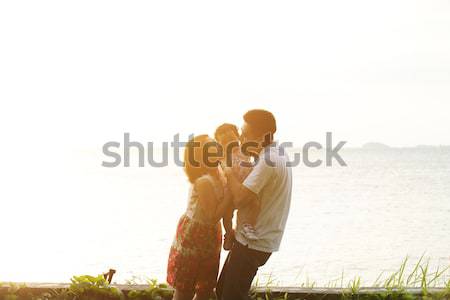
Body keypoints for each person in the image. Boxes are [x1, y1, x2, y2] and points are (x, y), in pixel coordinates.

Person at [216, 109, 293, 300]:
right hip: (252, 240)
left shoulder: (268, 160)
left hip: (253, 243)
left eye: (245, 134)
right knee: (223, 289)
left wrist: (228, 172)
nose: (241, 139)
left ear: (261, 135)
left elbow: (241, 197)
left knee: (230, 296)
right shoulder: (273, 154)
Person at [167, 135, 231, 300]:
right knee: (185, 289)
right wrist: (229, 197)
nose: (216, 147)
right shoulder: (204, 181)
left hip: (210, 234)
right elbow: (211, 216)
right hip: (195, 233)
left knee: (206, 287)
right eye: (210, 147)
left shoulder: (219, 172)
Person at [214, 123, 256, 250]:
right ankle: (229, 233)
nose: (229, 142)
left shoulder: (245, 149)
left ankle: (248, 228)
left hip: (245, 185)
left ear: (238, 137)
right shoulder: (222, 155)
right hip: (230, 191)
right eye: (224, 141)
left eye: (231, 138)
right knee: (227, 214)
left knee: (253, 204)